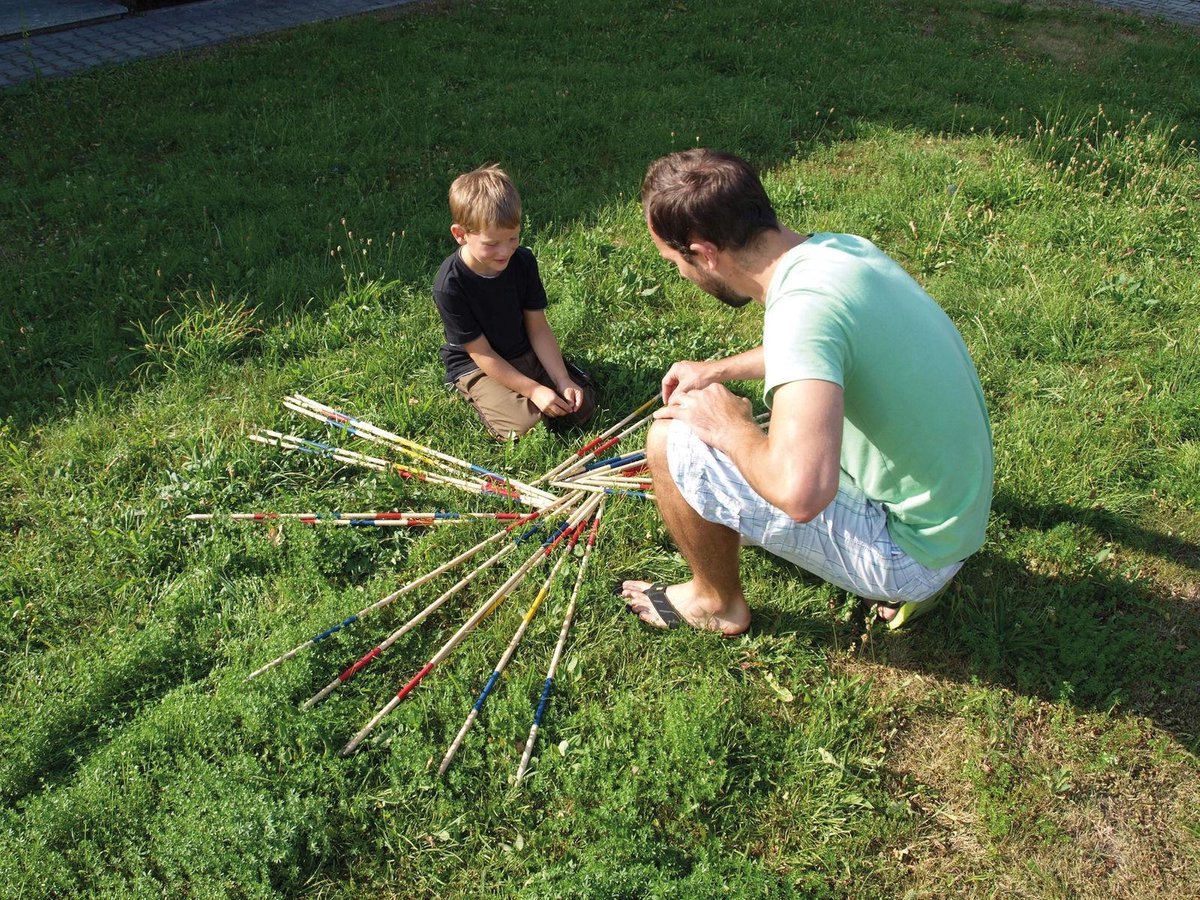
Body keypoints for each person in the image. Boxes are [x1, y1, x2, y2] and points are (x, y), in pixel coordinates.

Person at [617, 149, 993, 634]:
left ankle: (715, 604)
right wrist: (717, 371)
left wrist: (731, 428)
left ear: (705, 253)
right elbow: (819, 349)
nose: (682, 275)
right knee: (737, 433)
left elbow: (802, 494)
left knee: (673, 440)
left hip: (913, 555)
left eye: (675, 262)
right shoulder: (837, 252)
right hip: (952, 522)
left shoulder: (801, 313)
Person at [433, 164, 597, 440]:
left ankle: (550, 380)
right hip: (478, 364)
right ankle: (480, 392)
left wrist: (561, 380)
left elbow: (538, 327)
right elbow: (482, 353)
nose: (505, 250)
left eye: (513, 238)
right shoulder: (449, 286)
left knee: (582, 406)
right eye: (491, 243)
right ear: (460, 234)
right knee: (526, 428)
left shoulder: (522, 261)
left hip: (521, 349)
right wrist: (534, 390)